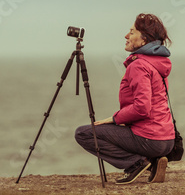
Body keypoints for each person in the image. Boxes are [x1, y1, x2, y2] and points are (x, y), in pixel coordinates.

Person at [75, 13, 175, 185]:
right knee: (113, 128)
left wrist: (114, 119)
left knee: (83, 134)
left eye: (132, 32)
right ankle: (155, 162)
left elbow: (142, 107)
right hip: (167, 139)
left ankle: (135, 164)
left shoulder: (139, 65)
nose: (126, 36)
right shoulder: (156, 62)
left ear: (144, 40)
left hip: (151, 139)